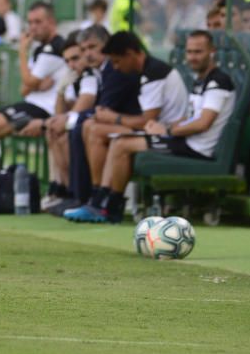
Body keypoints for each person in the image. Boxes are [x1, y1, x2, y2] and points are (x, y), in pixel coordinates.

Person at [85, 30, 237, 223]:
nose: (192, 57)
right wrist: (168, 128)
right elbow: (190, 119)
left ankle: (110, 208)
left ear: (212, 51)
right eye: (189, 52)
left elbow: (203, 123)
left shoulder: (218, 82)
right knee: (118, 142)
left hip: (197, 148)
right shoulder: (201, 80)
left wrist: (167, 131)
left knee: (121, 144)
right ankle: (102, 203)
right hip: (186, 141)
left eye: (198, 52)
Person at [64, 30, 188, 221]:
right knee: (91, 126)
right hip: (155, 128)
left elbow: (148, 121)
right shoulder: (146, 70)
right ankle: (98, 199)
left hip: (166, 133)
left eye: (116, 61)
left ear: (130, 54)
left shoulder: (154, 73)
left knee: (108, 137)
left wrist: (114, 118)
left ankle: (108, 205)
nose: (116, 67)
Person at [0, 2, 67, 166]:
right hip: (31, 105)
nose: (33, 27)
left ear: (51, 22)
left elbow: (28, 81)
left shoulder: (54, 47)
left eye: (38, 22)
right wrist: (34, 84)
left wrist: (22, 51)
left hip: (44, 110)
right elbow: (24, 89)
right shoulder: (41, 49)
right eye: (30, 22)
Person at [40, 32, 97, 209]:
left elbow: (80, 107)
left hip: (94, 126)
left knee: (61, 133)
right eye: (67, 61)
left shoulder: (90, 75)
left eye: (75, 58)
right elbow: (61, 113)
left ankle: (77, 194)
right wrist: (60, 91)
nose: (71, 65)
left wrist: (56, 121)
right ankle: (66, 191)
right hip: (83, 124)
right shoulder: (76, 77)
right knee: (53, 130)